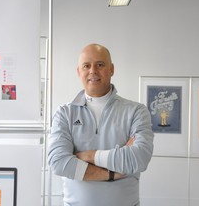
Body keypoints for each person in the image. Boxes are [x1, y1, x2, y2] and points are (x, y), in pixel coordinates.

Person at [48, 43, 154, 206]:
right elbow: (58, 163)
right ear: (79, 72)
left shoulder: (136, 112)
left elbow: (138, 159)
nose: (93, 71)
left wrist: (89, 156)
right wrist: (112, 174)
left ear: (111, 69)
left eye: (100, 64)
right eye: (86, 66)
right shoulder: (64, 113)